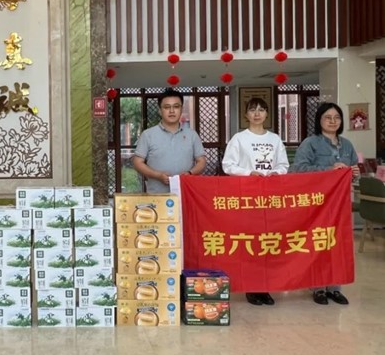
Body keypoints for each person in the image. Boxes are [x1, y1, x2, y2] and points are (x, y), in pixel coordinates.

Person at [289, 102, 359, 306]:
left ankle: (335, 288)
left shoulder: (347, 145)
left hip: (340, 206)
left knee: (338, 244)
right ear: (319, 120)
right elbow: (298, 169)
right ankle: (318, 287)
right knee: (318, 243)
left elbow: (354, 172)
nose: (332, 121)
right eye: (327, 117)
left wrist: (354, 172)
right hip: (317, 205)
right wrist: (329, 169)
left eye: (336, 117)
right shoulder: (310, 143)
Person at [222, 97, 289, 306]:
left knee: (268, 243)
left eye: (261, 109)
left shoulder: (275, 139)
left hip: (270, 199)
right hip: (247, 198)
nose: (257, 114)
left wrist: (276, 173)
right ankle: (251, 287)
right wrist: (248, 173)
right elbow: (228, 165)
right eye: (252, 110)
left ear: (267, 113)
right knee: (250, 243)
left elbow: (284, 165)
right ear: (246, 114)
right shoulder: (239, 139)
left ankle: (265, 287)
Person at [132, 88, 206, 193]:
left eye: (176, 106)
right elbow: (137, 162)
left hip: (185, 194)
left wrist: (189, 173)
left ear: (181, 109)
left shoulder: (192, 135)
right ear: (160, 110)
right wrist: (158, 175)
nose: (172, 111)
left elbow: (201, 161)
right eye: (167, 107)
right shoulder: (148, 135)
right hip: (157, 195)